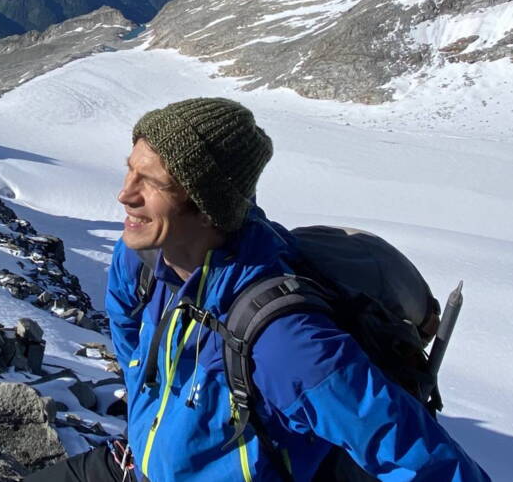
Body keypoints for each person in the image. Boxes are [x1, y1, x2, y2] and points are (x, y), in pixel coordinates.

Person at [30, 97, 488, 481]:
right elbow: (129, 332)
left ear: (209, 208)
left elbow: (418, 455)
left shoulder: (285, 340)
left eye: (151, 183)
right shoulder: (141, 257)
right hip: (138, 467)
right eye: (130, 171)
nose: (125, 195)